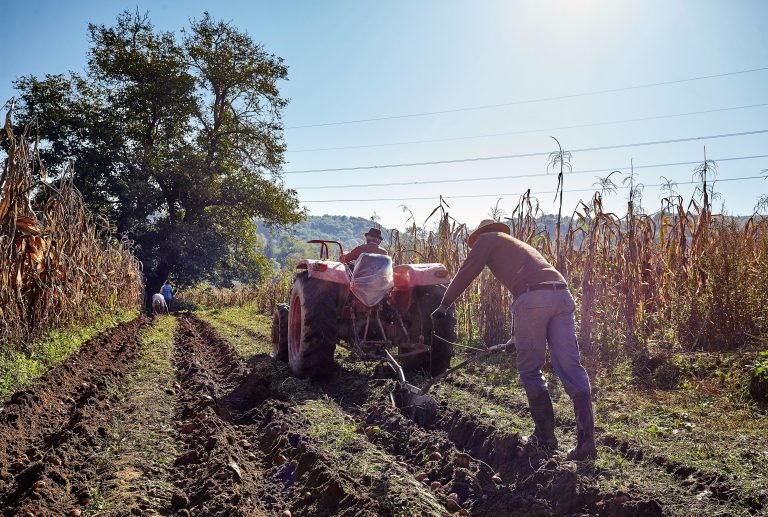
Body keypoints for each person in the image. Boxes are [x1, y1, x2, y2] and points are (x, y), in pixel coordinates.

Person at [431, 219, 596, 461]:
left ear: (480, 236)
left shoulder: (486, 240)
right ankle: (586, 445)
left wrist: (444, 304)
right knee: (572, 369)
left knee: (530, 370)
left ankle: (545, 438)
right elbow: (526, 291)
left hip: (534, 299)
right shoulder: (516, 245)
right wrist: (514, 337)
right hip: (561, 295)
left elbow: (469, 270)